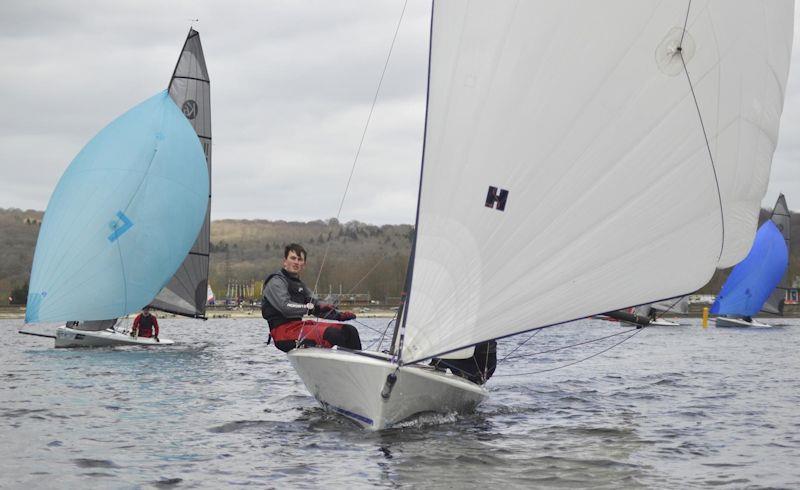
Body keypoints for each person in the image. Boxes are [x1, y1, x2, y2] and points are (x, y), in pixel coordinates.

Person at [262, 243, 361, 353]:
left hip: (299, 326)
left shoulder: (301, 286)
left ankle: (358, 366)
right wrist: (312, 308)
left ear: (304, 264)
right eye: (293, 258)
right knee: (333, 334)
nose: (296, 262)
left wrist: (339, 315)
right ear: (285, 261)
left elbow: (317, 306)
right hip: (282, 332)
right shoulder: (276, 282)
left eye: (300, 259)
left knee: (349, 331)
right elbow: (285, 306)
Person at [430, 340, 497, 385]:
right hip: (467, 361)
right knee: (438, 361)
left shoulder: (482, 336)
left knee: (439, 361)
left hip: (479, 370)